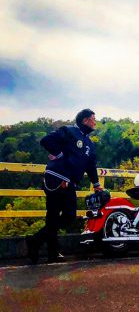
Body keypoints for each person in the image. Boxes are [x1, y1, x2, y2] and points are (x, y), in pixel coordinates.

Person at [26, 109, 103, 263]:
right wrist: (60, 155)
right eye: (93, 119)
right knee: (66, 215)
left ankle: (45, 248)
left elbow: (90, 165)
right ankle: (40, 244)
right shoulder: (69, 131)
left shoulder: (89, 143)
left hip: (69, 181)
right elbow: (46, 140)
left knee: (56, 217)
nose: (95, 123)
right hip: (57, 178)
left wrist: (96, 184)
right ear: (85, 120)